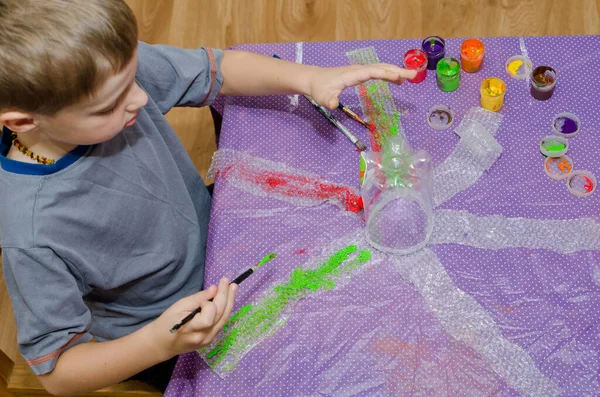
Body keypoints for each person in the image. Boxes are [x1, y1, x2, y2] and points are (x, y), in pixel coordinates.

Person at [0, 0, 417, 394]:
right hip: (170, 329)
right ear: (22, 121)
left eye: (134, 78)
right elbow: (57, 372)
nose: (142, 98)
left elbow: (214, 69)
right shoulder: (30, 232)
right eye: (112, 104)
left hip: (215, 228)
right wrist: (160, 344)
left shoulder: (102, 75)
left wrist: (309, 78)